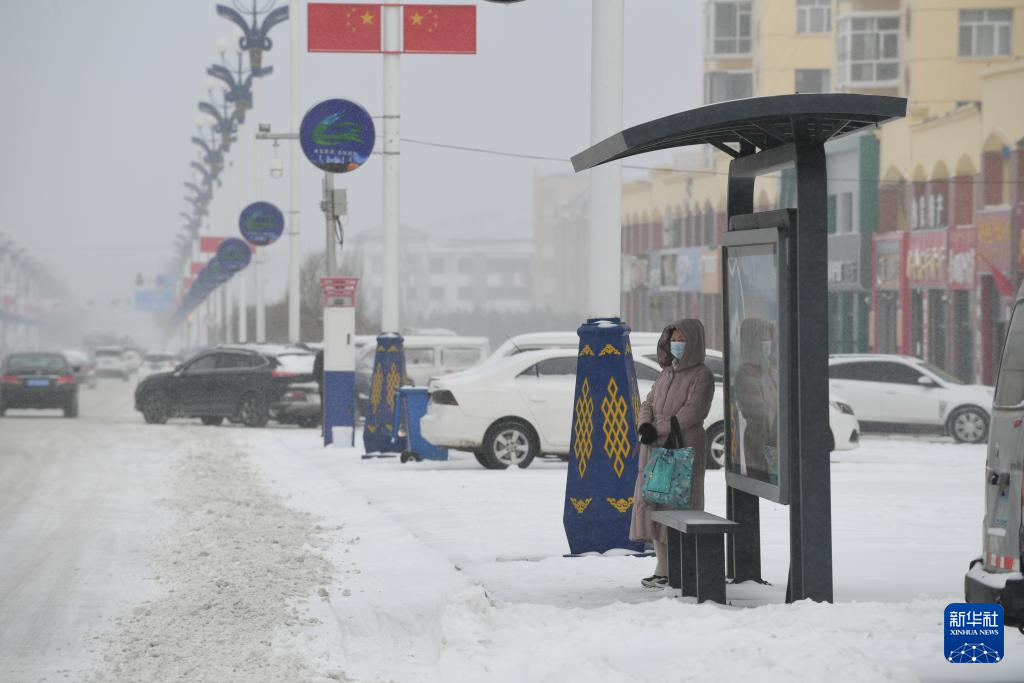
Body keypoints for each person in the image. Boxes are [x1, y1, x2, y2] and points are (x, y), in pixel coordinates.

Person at [630, 318, 715, 589]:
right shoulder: (667, 372)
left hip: (681, 448)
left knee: (678, 505)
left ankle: (678, 568)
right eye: (673, 340)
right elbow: (649, 402)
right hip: (654, 448)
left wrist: (658, 428)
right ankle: (663, 567)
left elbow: (693, 412)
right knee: (655, 505)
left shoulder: (702, 375)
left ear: (694, 343)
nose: (676, 345)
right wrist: (645, 425)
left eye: (682, 340)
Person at [313, 348, 324, 435]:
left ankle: (325, 428)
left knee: (324, 407)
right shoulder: (338, 352)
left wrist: (320, 381)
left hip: (323, 386)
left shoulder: (321, 353)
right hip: (326, 385)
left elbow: (315, 372)